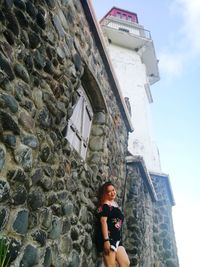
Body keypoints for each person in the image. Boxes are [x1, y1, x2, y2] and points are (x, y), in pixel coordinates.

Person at [96, 181, 130, 267]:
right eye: (109, 191)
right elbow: (103, 221)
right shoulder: (106, 205)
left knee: (126, 263)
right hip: (109, 240)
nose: (112, 192)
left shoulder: (115, 204)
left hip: (117, 239)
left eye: (113, 190)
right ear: (105, 194)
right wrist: (106, 240)